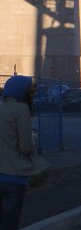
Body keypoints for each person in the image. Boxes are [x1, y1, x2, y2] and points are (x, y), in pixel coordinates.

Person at [0, 75, 49, 230]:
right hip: (14, 176)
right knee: (10, 222)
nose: (33, 94)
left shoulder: (1, 108)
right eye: (31, 91)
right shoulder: (21, 109)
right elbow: (25, 147)